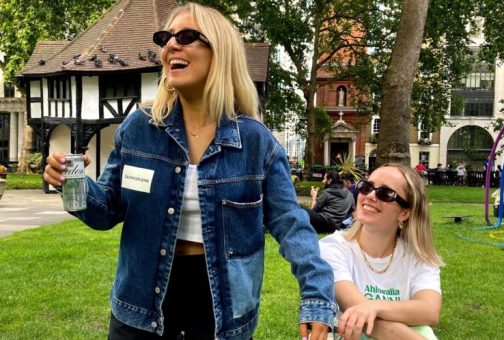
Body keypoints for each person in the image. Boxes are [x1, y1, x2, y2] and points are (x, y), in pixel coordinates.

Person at [43, 3, 335, 339]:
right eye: (165, 38)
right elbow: (106, 209)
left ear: (220, 52)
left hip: (222, 311)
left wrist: (316, 295)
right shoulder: (139, 128)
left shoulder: (257, 143)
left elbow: (292, 226)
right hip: (139, 307)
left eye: (185, 36)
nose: (170, 45)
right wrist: (73, 183)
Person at [319, 164, 443, 339]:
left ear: (404, 214)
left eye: (385, 193)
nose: (370, 195)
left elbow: (430, 311)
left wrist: (375, 306)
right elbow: (357, 311)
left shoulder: (418, 256)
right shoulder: (332, 248)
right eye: (367, 186)